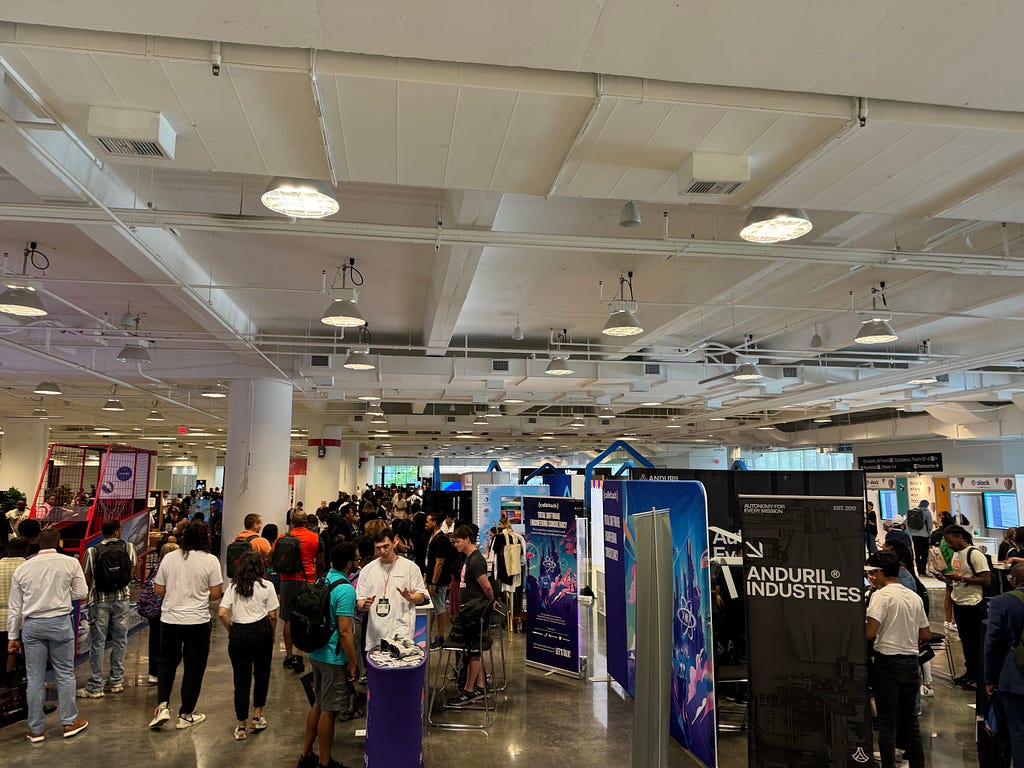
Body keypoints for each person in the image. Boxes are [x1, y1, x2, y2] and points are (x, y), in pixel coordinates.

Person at [6, 526, 89, 742]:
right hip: (60, 622)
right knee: (64, 673)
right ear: (58, 541)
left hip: (32, 626)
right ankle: (69, 722)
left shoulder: (23, 568)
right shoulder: (70, 563)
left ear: (37, 543)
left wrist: (12, 637)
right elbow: (82, 593)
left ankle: (36, 730)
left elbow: (15, 607)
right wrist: (62, 595)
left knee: (35, 678)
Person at [149, 521, 223, 730]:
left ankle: (162, 705)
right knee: (194, 667)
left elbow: (158, 589)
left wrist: (176, 595)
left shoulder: (170, 558)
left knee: (166, 663)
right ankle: (186, 713)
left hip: (170, 619)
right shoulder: (210, 561)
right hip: (197, 621)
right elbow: (216, 593)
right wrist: (197, 597)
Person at [865, 550, 929, 768]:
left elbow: (870, 632)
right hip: (911, 664)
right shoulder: (913, 596)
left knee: (886, 723)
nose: (871, 577)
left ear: (882, 573)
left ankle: (888, 764)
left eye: (873, 573)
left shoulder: (880, 596)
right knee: (911, 722)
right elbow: (925, 634)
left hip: (888, 663)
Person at [297, 542, 359, 768]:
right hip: (333, 656)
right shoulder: (346, 589)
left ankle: (306, 755)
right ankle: (324, 763)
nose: (358, 563)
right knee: (329, 710)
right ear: (350, 563)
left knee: (318, 704)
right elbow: (344, 632)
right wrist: (353, 662)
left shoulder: (323, 579)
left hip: (316, 651)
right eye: (357, 559)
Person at [218, 549, 279, 741]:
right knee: (261, 674)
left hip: (238, 633)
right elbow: (273, 615)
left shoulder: (233, 587)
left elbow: (221, 612)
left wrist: (231, 630)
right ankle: (257, 715)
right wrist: (272, 634)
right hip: (260, 632)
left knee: (241, 680)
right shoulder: (267, 586)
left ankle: (241, 725)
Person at [78, 518, 138, 698]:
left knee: (97, 642)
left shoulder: (92, 551)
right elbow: (131, 572)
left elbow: (87, 578)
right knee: (120, 640)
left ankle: (95, 686)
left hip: (99, 600)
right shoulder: (129, 547)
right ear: (118, 531)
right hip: (122, 599)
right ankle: (116, 681)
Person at [447, 525, 496, 707]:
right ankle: (480, 686)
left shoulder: (476, 560)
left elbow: (486, 586)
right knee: (472, 650)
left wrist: (491, 601)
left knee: (473, 651)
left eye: (458, 541)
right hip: (470, 612)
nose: (456, 545)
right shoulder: (470, 559)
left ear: (467, 538)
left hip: (474, 614)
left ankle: (468, 691)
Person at [938, 524, 991, 690]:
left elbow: (986, 579)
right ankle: (971, 673)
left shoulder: (975, 555)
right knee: (966, 641)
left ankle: (981, 676)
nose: (949, 545)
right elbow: (958, 577)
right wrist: (947, 579)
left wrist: (960, 578)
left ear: (960, 537)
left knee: (976, 642)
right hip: (959, 603)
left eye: (950, 541)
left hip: (974, 604)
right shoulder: (955, 554)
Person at [356, 528, 427, 651]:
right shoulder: (367, 570)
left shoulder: (410, 567)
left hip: (402, 631)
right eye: (378, 548)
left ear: (394, 542)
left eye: (386, 546)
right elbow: (360, 603)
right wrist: (364, 605)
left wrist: (410, 597)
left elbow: (420, 598)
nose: (382, 551)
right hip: (375, 633)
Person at [984, 562, 1024, 768]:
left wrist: (990, 679)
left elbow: (992, 643)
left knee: (1018, 732)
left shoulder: (1002, 602)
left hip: (1014, 679)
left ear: (1013, 580)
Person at [277, 510, 324, 673]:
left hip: (287, 581)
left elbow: (270, 557)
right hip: (308, 580)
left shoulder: (282, 538)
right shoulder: (315, 538)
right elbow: (320, 561)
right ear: (306, 522)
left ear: (291, 522)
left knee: (288, 619)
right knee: (307, 618)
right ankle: (301, 653)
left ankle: (289, 656)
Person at [425, 511, 456, 649]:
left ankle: (440, 636)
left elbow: (439, 562)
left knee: (439, 608)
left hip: (438, 581)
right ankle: (428, 635)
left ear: (435, 523)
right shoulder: (433, 537)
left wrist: (433, 582)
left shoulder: (441, 540)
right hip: (432, 578)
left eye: (428, 521)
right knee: (433, 608)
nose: (426, 524)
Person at [0, 537, 29, 676]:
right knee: (22, 660)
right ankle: (17, 690)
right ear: (26, 550)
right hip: (23, 622)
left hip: (1, 622)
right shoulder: (28, 567)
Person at [906, 500, 933, 575]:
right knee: (924, 554)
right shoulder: (927, 512)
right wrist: (929, 531)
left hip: (914, 536)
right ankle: (923, 570)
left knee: (917, 553)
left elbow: (908, 524)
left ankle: (918, 570)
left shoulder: (913, 512)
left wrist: (912, 532)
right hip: (924, 536)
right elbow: (930, 525)